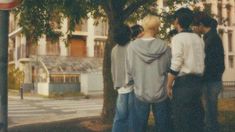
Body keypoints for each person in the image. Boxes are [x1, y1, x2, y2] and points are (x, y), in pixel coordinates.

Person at [126, 15, 172, 132]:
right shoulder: (165, 47)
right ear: (157, 28)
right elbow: (168, 68)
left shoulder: (132, 47)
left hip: (140, 90)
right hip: (161, 91)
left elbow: (129, 70)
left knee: (138, 127)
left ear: (144, 27)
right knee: (163, 127)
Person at [166, 8, 205, 132]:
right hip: (198, 83)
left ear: (176, 20)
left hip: (184, 84)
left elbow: (176, 63)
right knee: (196, 120)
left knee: (182, 121)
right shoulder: (198, 38)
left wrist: (169, 84)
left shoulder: (178, 38)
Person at [193, 14, 225, 132]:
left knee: (209, 109)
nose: (195, 29)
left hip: (210, 80)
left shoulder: (210, 39)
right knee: (211, 109)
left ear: (201, 25)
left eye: (196, 26)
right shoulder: (211, 37)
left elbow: (207, 61)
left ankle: (211, 129)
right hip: (213, 78)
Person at [111, 24, 134, 132]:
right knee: (133, 118)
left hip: (121, 87)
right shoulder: (133, 46)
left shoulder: (114, 49)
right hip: (133, 86)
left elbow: (113, 69)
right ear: (128, 34)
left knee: (119, 118)